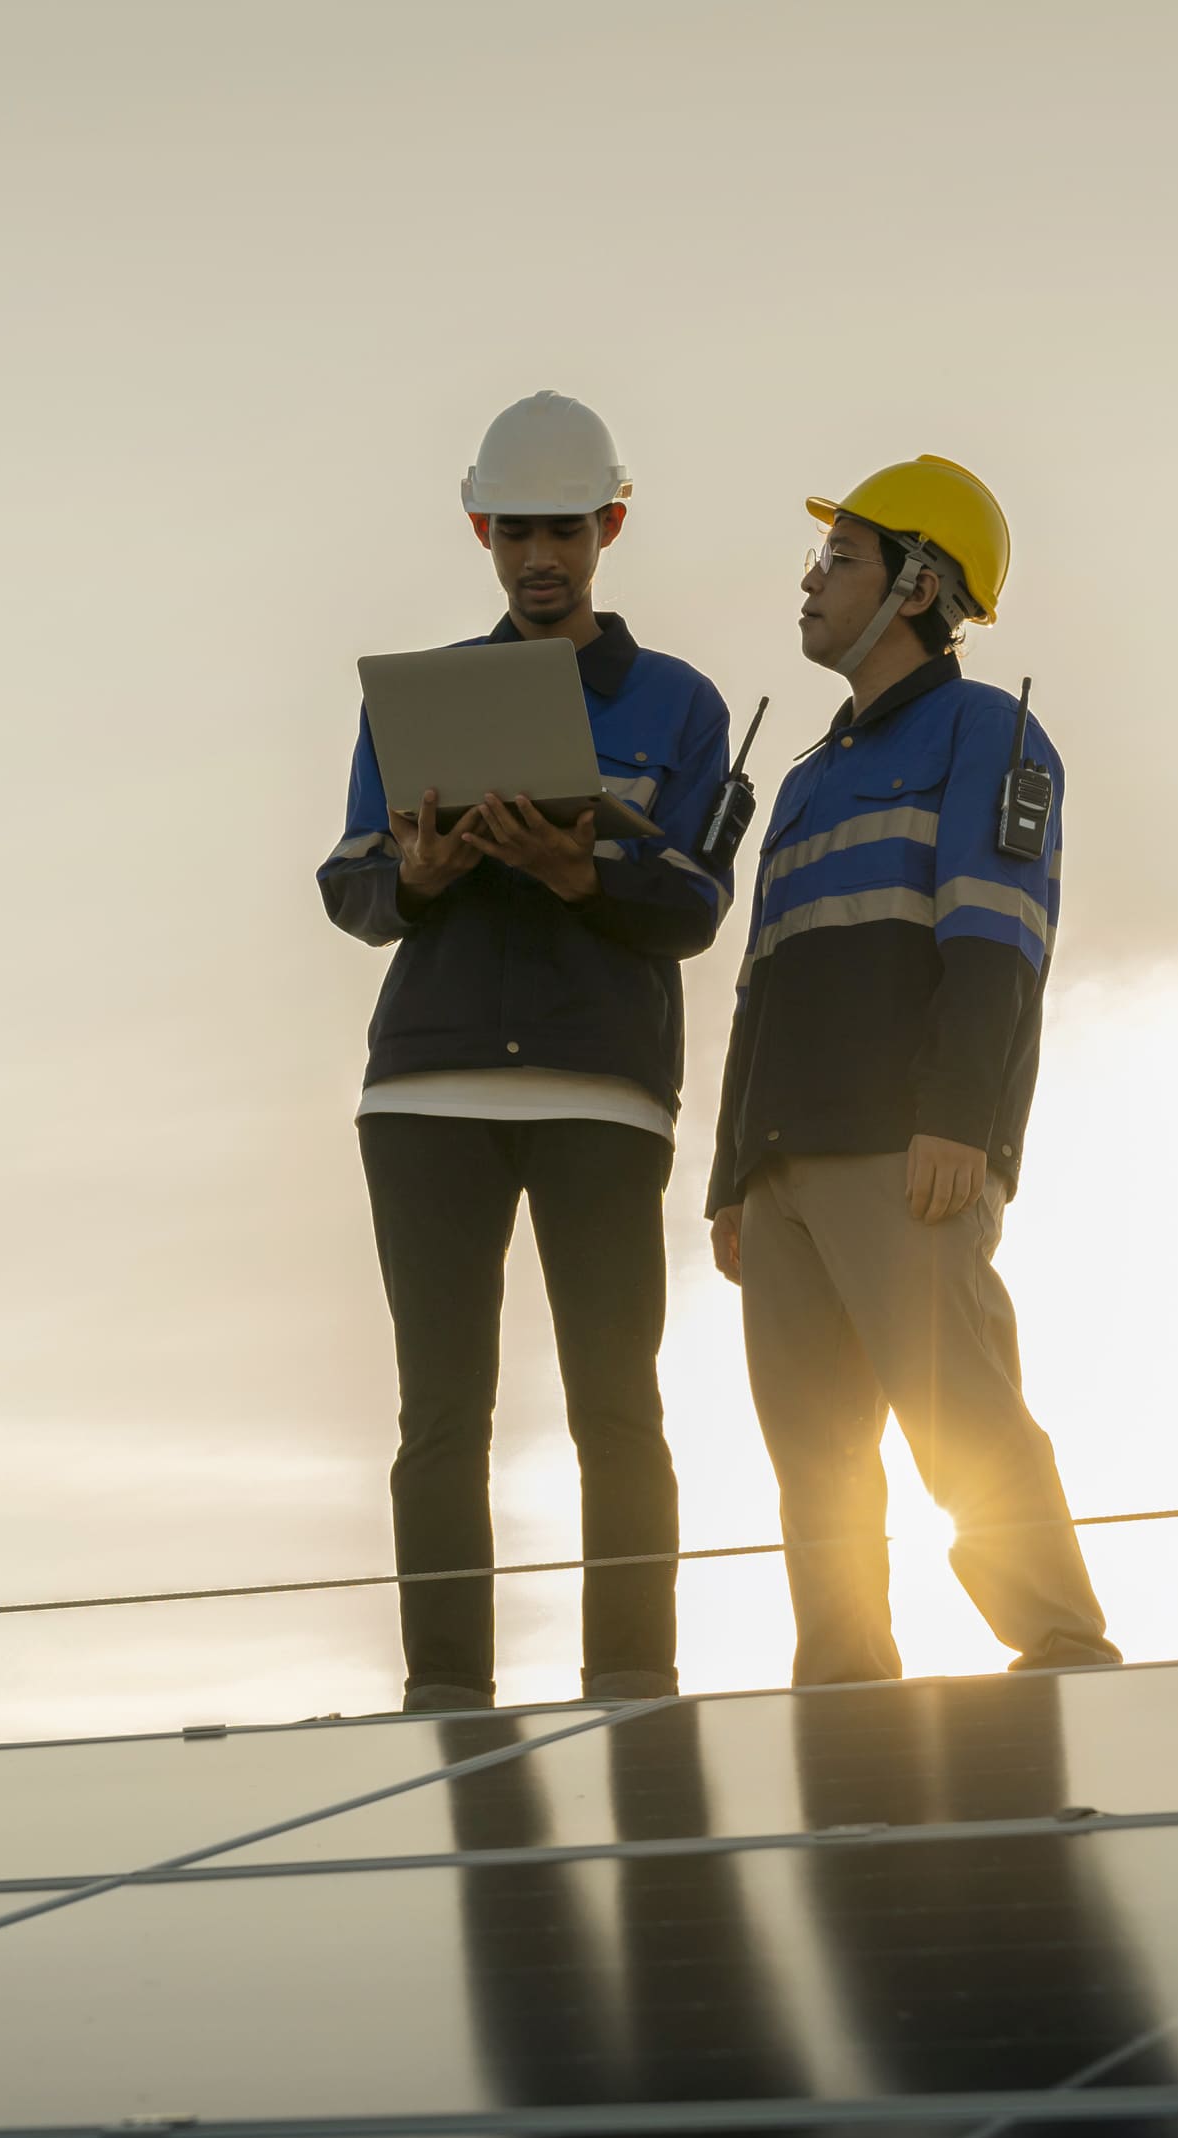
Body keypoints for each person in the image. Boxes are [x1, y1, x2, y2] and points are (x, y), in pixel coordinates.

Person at [317, 392, 736, 1714]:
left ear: (610, 525)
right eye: (513, 534)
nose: (538, 558)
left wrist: (582, 871)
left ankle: (632, 1689)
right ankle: (445, 1700)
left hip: (602, 1093)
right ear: (480, 532)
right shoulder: (417, 701)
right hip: (426, 1088)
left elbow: (696, 907)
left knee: (619, 1404)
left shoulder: (679, 705)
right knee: (441, 1418)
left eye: (561, 530)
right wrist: (422, 872)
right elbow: (349, 883)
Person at [702, 454, 1119, 1685]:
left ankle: (1059, 1640)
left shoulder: (991, 734)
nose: (811, 579)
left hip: (904, 1155)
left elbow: (997, 946)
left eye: (841, 558)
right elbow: (760, 985)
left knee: (961, 1413)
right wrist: (732, 1175)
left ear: (919, 583)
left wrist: (960, 1122)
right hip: (780, 1172)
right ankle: (842, 1682)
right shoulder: (804, 778)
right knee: (813, 1457)